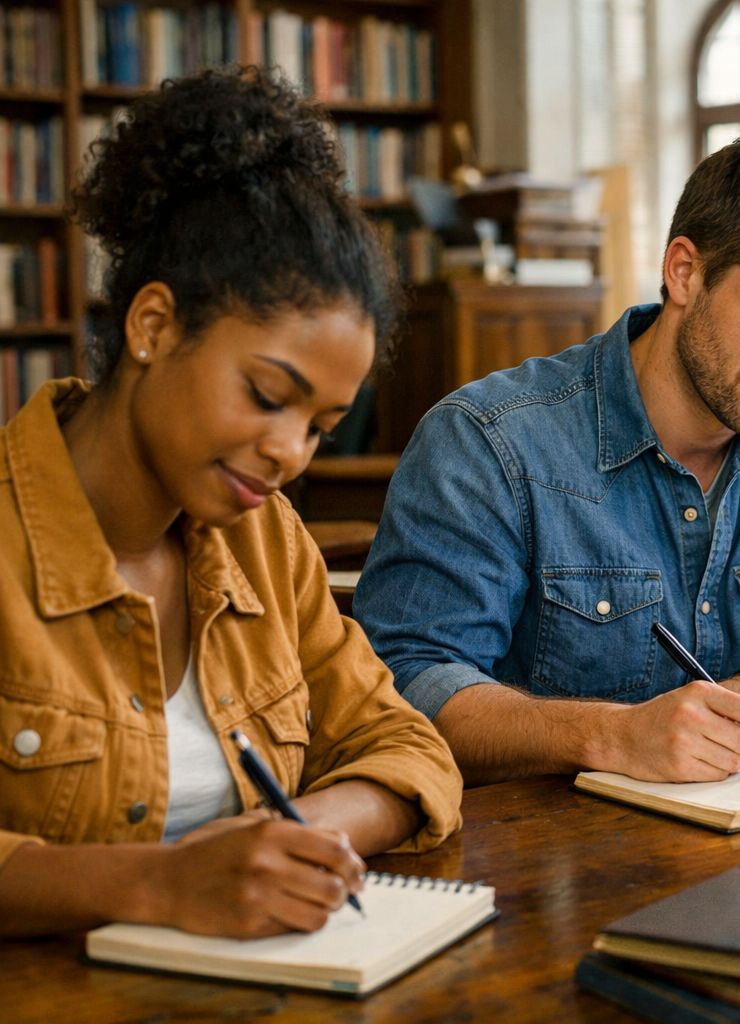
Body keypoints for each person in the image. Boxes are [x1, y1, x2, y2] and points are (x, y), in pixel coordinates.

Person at [354, 128, 740, 786]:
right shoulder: (488, 442)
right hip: (549, 864)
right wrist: (614, 735)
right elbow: (407, 688)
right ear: (684, 272)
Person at [0, 68, 462, 939]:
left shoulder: (265, 540)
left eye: (321, 426)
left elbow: (409, 750)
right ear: (152, 327)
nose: (290, 452)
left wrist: (303, 838)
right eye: (265, 394)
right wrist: (161, 885)